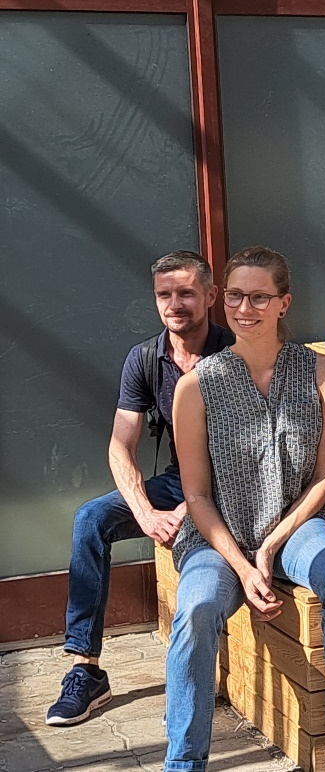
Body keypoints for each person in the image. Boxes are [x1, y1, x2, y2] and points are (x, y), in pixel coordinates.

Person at [165, 247, 325, 772]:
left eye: (260, 297)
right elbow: (195, 495)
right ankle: (184, 761)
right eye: (235, 296)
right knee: (194, 610)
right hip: (217, 536)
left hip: (297, 523)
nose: (245, 308)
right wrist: (244, 564)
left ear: (284, 303)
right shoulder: (196, 385)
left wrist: (275, 542)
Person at [46, 251, 235, 727]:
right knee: (92, 517)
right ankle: (86, 671)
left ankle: (200, 676)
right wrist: (148, 513)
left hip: (238, 485)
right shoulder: (146, 359)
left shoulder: (234, 351)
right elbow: (119, 446)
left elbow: (243, 456)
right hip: (178, 481)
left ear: (211, 297)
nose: (175, 304)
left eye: (187, 293)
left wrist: (189, 512)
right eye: (164, 294)